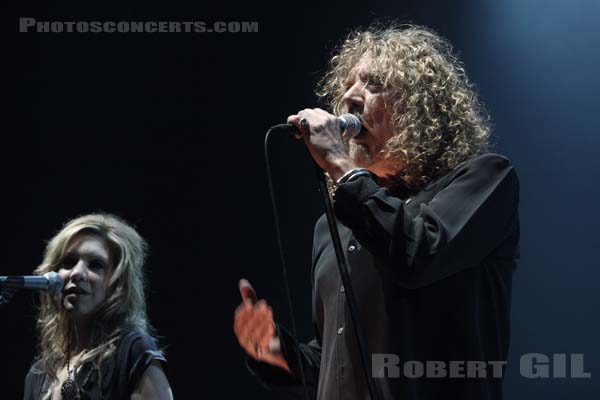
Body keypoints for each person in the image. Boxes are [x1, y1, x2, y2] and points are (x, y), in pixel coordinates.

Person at [234, 24, 520, 399]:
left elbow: (418, 255)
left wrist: (337, 161)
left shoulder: (485, 179)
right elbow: (337, 364)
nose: (350, 97)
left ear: (421, 106)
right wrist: (274, 350)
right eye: (348, 85)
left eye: (374, 83)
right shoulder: (334, 223)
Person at [24, 214, 173, 399]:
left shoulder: (132, 352)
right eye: (68, 262)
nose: (77, 273)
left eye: (96, 265)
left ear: (117, 282)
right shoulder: (39, 374)